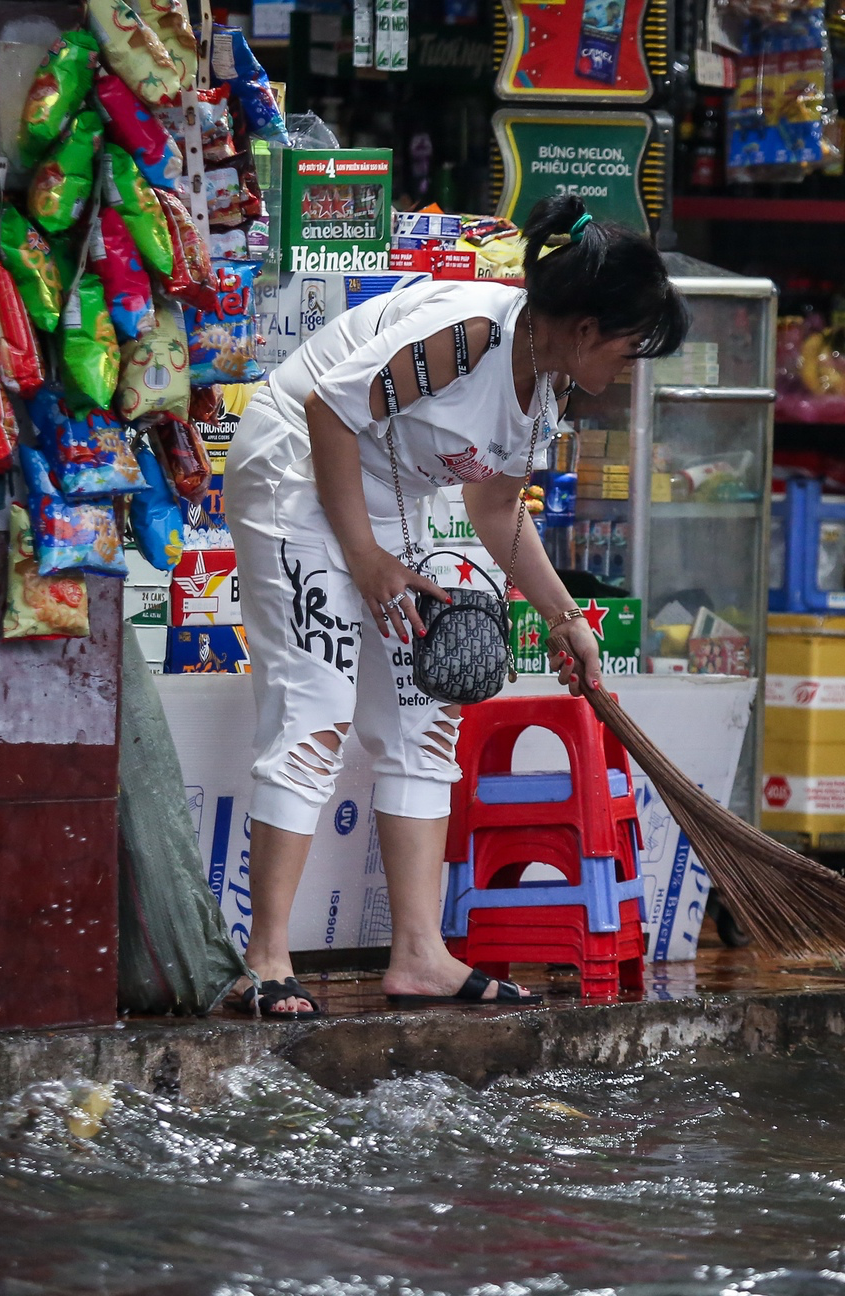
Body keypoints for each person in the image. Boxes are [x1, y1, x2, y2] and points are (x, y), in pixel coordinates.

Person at [224, 192, 688, 1016]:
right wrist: (364, 558)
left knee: (426, 714)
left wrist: (564, 617)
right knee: (318, 707)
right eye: (628, 344)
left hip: (385, 502)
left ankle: (419, 955)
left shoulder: (545, 386)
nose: (629, 365)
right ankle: (265, 961)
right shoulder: (472, 334)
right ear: (584, 328)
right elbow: (328, 413)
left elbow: (497, 510)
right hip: (297, 472)